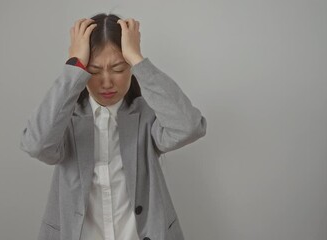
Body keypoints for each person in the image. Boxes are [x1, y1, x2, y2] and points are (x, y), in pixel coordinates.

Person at [19, 13, 207, 240]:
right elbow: (36, 144)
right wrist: (74, 65)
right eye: (94, 71)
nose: (106, 82)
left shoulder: (147, 115)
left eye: (118, 68)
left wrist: (137, 58)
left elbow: (189, 127)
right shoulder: (65, 118)